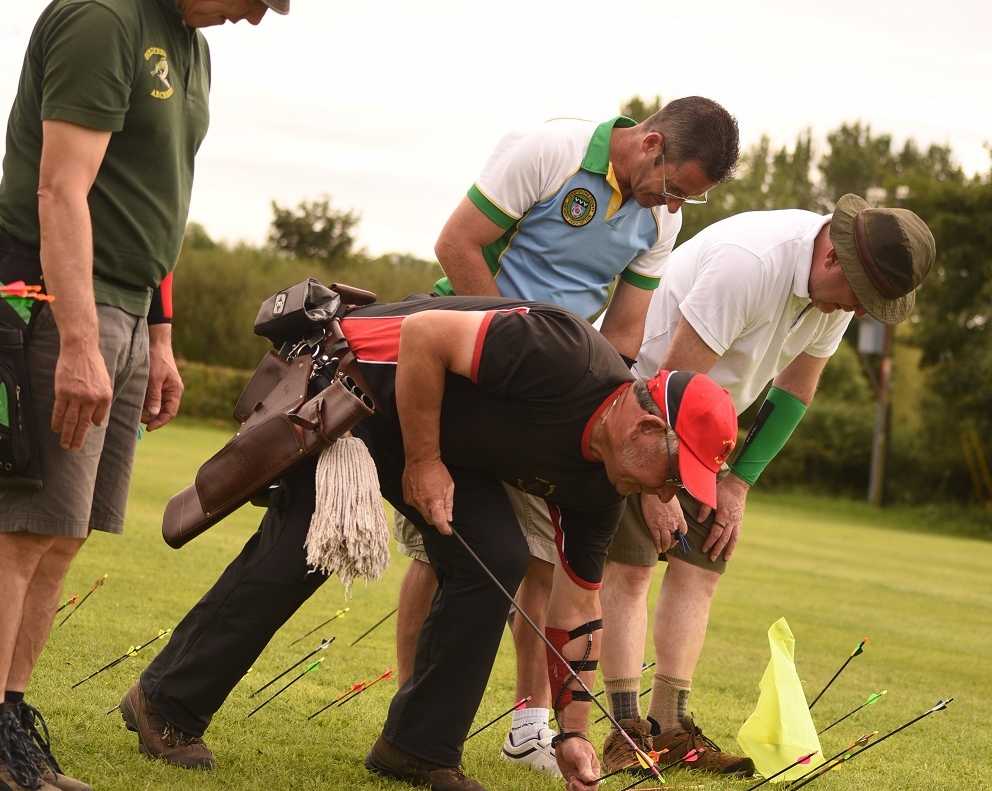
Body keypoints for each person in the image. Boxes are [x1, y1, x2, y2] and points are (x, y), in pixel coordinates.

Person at [119, 294, 739, 791]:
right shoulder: (564, 355)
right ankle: (164, 702)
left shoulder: (603, 485)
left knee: (496, 557)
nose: (664, 495)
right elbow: (422, 338)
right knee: (304, 548)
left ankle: (416, 748)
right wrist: (424, 461)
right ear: (648, 425)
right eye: (672, 475)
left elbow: (578, 609)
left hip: (439, 436)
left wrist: (572, 733)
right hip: (359, 389)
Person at [0, 0, 318, 791]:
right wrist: (78, 340)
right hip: (62, 303)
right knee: (21, 531)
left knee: (63, 536)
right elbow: (60, 190)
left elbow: (159, 195)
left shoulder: (189, 40)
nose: (254, 20)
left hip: (132, 309)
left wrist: (163, 333)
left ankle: (12, 716)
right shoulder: (106, 14)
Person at [394, 98, 740, 774]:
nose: (672, 206)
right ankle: (409, 710)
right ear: (650, 144)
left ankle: (531, 725)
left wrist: (590, 398)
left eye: (686, 200)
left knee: (547, 563)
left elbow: (624, 331)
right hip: (469, 355)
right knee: (442, 549)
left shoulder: (659, 220)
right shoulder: (550, 150)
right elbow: (455, 244)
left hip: (555, 386)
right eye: (672, 187)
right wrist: (507, 350)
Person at [595, 194, 936, 776]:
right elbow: (672, 380)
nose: (861, 311)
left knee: (701, 569)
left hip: (709, 430)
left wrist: (739, 482)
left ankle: (672, 729)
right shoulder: (749, 262)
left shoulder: (837, 295)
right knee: (632, 568)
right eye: (863, 298)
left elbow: (796, 387)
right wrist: (657, 489)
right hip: (643, 413)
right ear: (835, 261)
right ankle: (626, 735)